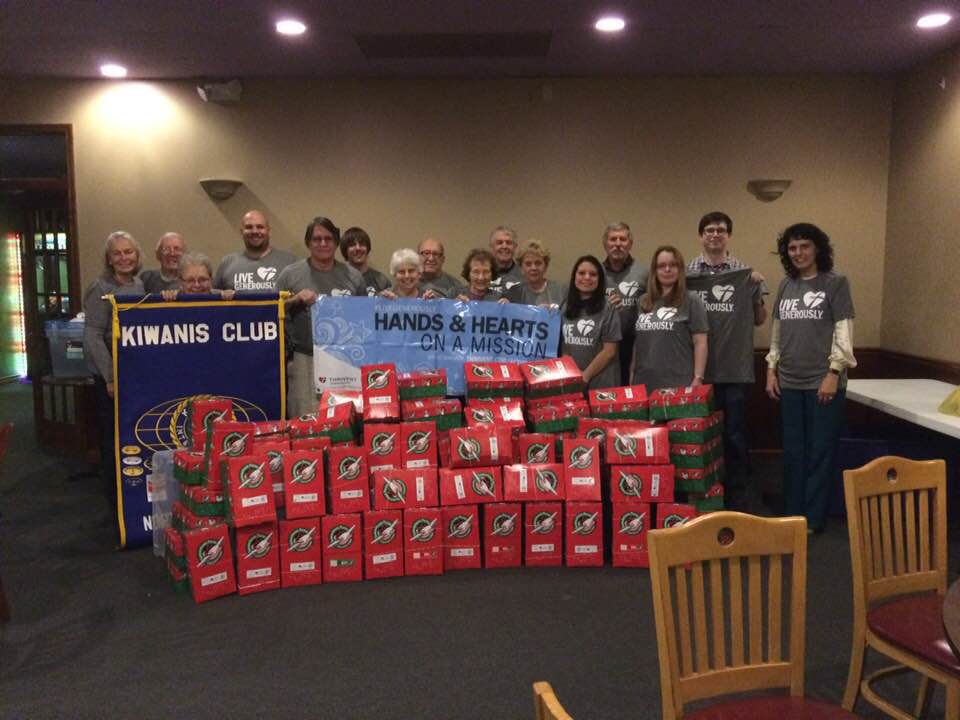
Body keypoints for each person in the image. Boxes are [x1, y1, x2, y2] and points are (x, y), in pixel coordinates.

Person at [765, 223, 856, 534]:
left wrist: (833, 373)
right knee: (793, 451)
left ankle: (813, 519)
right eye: (792, 248)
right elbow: (777, 332)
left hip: (823, 382)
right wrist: (770, 369)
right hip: (789, 381)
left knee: (819, 452)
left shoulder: (835, 283)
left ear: (817, 248)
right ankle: (793, 514)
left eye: (804, 246)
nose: (798, 253)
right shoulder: (785, 285)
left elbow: (843, 333)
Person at [686, 211, 767, 512]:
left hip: (735, 369)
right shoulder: (688, 273)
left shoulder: (745, 272)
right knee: (699, 434)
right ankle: (704, 492)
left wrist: (756, 291)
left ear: (729, 235)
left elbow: (759, 319)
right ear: (701, 235)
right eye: (709, 230)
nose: (715, 235)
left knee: (734, 434)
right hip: (698, 369)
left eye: (721, 230)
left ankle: (737, 494)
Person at [82, 231, 145, 531]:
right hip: (111, 378)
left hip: (136, 375)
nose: (123, 258)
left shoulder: (139, 284)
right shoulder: (100, 288)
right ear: (109, 258)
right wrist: (109, 377)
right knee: (113, 442)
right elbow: (93, 336)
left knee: (133, 438)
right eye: (117, 254)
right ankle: (115, 508)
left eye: (128, 252)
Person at [276, 216, 366, 418]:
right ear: (308, 243)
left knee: (345, 416)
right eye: (317, 239)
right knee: (305, 417)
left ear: (336, 243)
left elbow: (363, 318)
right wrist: (296, 299)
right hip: (305, 356)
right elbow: (273, 309)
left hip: (344, 357)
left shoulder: (354, 276)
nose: (323, 243)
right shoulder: (290, 274)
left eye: (328, 238)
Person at [630, 245, 708, 391]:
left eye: (673, 265)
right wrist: (632, 375)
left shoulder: (691, 299)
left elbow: (700, 341)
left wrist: (698, 378)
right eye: (661, 266)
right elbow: (638, 343)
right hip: (644, 381)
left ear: (680, 269)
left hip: (679, 382)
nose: (667, 269)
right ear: (655, 271)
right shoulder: (643, 301)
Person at [560, 255, 621, 389]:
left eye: (593, 274)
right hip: (573, 382)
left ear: (600, 279)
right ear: (574, 276)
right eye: (581, 273)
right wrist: (571, 375)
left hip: (601, 384)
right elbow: (565, 348)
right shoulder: (565, 306)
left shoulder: (608, 307)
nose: (587, 278)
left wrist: (585, 376)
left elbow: (609, 351)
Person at [601, 222, 648, 385]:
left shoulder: (644, 272)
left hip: (637, 343)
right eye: (613, 239)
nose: (618, 244)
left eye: (623, 239)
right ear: (605, 244)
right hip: (604, 345)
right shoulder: (596, 273)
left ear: (630, 244)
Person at [213, 209, 297, 291]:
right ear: (241, 232)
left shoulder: (289, 262)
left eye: (260, 227)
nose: (254, 231)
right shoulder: (227, 263)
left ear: (269, 231)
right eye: (249, 227)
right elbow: (212, 298)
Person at [505, 239, 567, 309]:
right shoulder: (514, 292)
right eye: (528, 264)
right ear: (521, 268)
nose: (533, 268)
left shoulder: (561, 290)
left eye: (538, 263)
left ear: (546, 266)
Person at [340, 226, 390, 297]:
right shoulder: (337, 278)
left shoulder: (381, 280)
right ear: (345, 250)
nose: (358, 248)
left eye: (362, 244)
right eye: (352, 245)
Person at [160, 253, 236, 300]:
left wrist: (232, 300)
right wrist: (164, 299)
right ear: (180, 283)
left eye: (202, 279)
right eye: (190, 280)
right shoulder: (172, 299)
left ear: (211, 280)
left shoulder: (222, 298)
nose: (197, 285)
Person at [487, 225, 524, 294]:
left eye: (509, 243)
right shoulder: (482, 275)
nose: (504, 246)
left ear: (515, 247)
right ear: (491, 247)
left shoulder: (525, 275)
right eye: (499, 243)